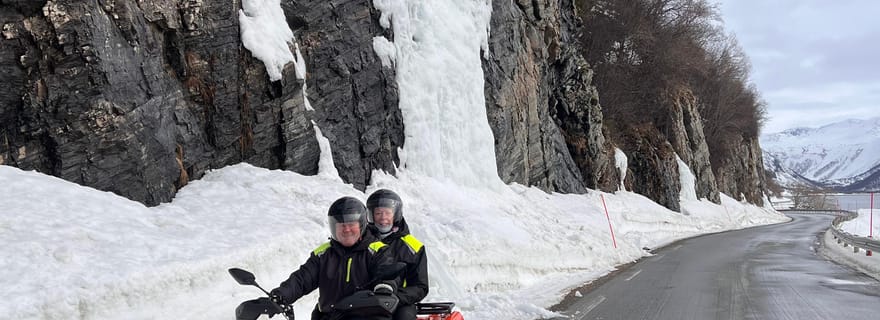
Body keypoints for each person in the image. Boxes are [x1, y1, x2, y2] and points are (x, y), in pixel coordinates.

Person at [270, 196, 397, 320]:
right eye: (341, 225)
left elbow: (386, 272)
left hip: (365, 315)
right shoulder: (323, 254)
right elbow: (302, 279)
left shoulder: (378, 251)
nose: (346, 229)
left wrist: (384, 286)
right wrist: (280, 296)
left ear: (361, 225)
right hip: (330, 316)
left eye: (351, 224)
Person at [366, 189, 429, 320]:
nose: (383, 218)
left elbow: (420, 286)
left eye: (387, 213)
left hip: (400, 301)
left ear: (396, 214)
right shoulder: (362, 243)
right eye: (378, 213)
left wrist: (396, 297)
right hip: (366, 297)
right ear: (371, 215)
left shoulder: (413, 247)